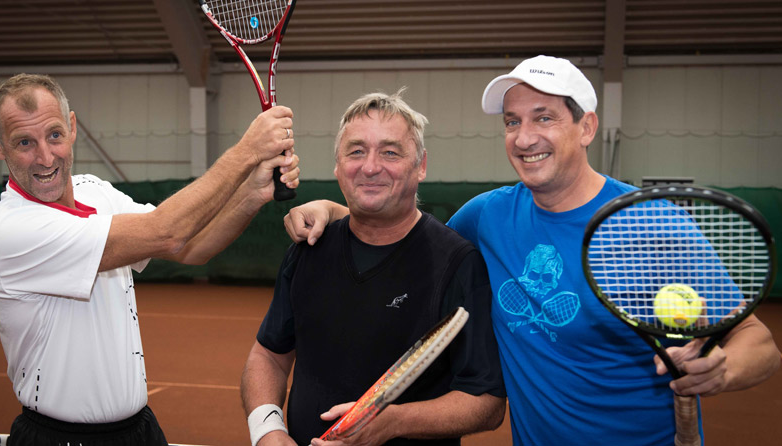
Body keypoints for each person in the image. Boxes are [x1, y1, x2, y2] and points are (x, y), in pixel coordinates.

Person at [282, 56, 781, 445]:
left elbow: (758, 343)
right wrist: (333, 207)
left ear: (586, 127)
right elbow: (409, 234)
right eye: (512, 121)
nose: (524, 138)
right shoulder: (489, 216)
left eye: (544, 118)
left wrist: (722, 369)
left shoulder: (651, 222)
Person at [0, 73, 300, 445]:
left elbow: (191, 246)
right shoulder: (11, 232)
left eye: (54, 135)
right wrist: (247, 151)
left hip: (140, 430)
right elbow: (168, 232)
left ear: (72, 127)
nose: (46, 157)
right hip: (59, 438)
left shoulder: (94, 190)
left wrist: (253, 193)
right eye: (24, 142)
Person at [240, 89, 506, 446]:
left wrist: (393, 422)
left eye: (390, 152)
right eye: (356, 151)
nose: (369, 167)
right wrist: (267, 431)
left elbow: (486, 402)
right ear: (338, 166)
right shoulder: (308, 250)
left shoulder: (457, 263)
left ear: (421, 165)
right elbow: (269, 356)